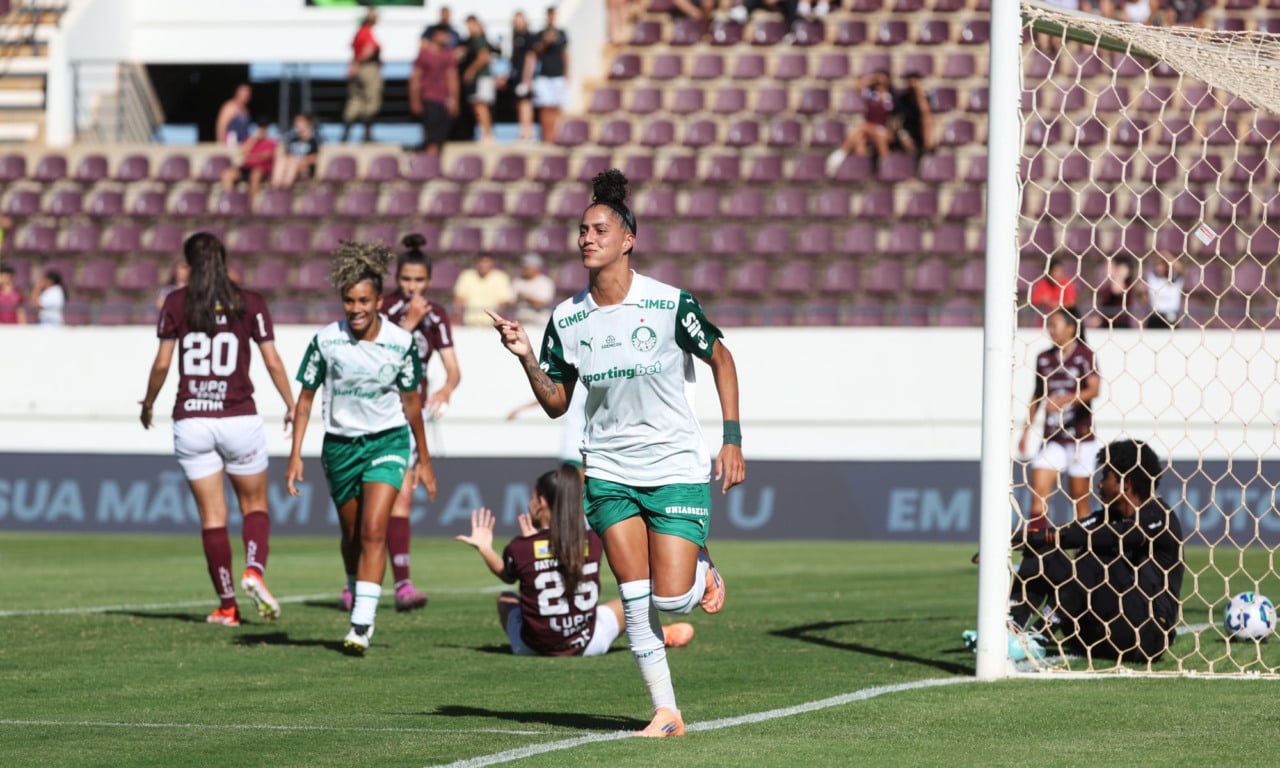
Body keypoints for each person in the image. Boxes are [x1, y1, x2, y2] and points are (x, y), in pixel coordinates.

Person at [487, 169, 745, 737]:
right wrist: (527, 356)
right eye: (582, 230)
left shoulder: (670, 303)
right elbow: (557, 403)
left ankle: (701, 573)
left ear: (627, 239)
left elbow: (722, 359)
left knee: (672, 600)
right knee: (633, 596)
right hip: (607, 471)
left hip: (674, 465)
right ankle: (667, 711)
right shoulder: (567, 318)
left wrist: (732, 438)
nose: (587, 238)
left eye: (598, 229)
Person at [287, 241, 438, 655]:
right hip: (339, 447)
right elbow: (304, 400)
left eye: (364, 301)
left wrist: (423, 460)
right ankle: (357, 590)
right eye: (349, 301)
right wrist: (295, 453)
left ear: (379, 301)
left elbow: (412, 404)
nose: (355, 309)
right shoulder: (325, 341)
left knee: (374, 530)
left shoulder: (400, 344)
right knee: (352, 535)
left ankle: (361, 624)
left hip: (388, 442)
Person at [139, 232, 297, 626]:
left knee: (213, 517)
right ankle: (254, 571)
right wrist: (291, 405)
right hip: (238, 417)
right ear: (225, 261)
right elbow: (273, 361)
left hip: (191, 419)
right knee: (255, 506)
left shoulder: (177, 301)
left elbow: (162, 364)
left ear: (188, 264)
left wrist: (148, 402)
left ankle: (227, 605)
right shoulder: (250, 301)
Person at [336, 233, 461, 613]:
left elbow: (453, 369)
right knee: (361, 505)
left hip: (408, 415)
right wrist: (408, 324)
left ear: (429, 281)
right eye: (406, 280)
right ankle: (353, 582)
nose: (412, 287)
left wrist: (445, 390)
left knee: (402, 497)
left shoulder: (436, 314)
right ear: (397, 279)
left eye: (419, 281)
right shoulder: (383, 310)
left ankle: (403, 584)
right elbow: (373, 359)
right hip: (372, 411)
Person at [455, 465, 695, 657]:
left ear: (542, 503)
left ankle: (656, 634)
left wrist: (485, 548)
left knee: (506, 599)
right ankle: (656, 635)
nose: (529, 503)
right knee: (631, 598)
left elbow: (507, 574)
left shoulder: (521, 547)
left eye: (532, 497)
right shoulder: (594, 539)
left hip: (530, 648)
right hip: (588, 643)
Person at [1010, 439, 1183, 663]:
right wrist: (1006, 544)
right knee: (1045, 549)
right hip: (1096, 632)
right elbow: (1070, 532)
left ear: (1126, 482)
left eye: (1105, 477)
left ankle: (1041, 635)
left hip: (1144, 634)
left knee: (1095, 554)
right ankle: (1011, 629)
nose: (1099, 485)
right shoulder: (1106, 516)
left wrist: (1050, 536)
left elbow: (1121, 535)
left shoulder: (1160, 516)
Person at [1019, 306, 1101, 525]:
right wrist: (1025, 432)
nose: (1051, 330)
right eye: (1049, 325)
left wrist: (1064, 400)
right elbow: (1037, 395)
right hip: (1053, 438)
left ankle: (1084, 556)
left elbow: (1094, 390)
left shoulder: (1085, 355)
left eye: (1055, 325)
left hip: (1081, 439)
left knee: (1081, 504)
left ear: (1071, 328)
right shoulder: (1044, 358)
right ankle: (1038, 556)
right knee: (1038, 495)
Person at [824, 70, 896, 177]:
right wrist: (872, 77)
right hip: (870, 129)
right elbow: (858, 86)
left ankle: (839, 155)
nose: (879, 84)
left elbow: (894, 119)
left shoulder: (891, 97)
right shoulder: (872, 95)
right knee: (859, 136)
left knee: (864, 129)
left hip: (885, 129)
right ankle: (862, 166)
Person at [409, 25, 460, 155]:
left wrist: (454, 100)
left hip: (444, 100)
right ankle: (429, 166)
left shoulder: (448, 54)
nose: (446, 38)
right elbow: (415, 78)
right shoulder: (425, 54)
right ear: (435, 35)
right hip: (429, 98)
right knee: (431, 137)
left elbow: (452, 78)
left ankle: (433, 164)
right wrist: (415, 100)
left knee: (440, 137)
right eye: (443, 34)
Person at [523, 6, 569, 145]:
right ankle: (546, 136)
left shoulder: (562, 33)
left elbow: (565, 54)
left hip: (558, 75)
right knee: (545, 107)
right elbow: (534, 54)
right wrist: (545, 42)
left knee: (555, 107)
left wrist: (567, 73)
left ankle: (554, 135)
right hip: (544, 75)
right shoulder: (540, 34)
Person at [342, 7, 383, 143]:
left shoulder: (359, 32)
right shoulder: (366, 32)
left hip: (357, 68)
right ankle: (367, 136)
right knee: (371, 100)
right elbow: (369, 50)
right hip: (367, 68)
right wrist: (358, 63)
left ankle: (346, 135)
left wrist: (354, 65)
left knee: (355, 100)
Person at [221, 118, 276, 209]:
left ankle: (250, 205)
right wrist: (253, 140)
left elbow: (266, 156)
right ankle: (231, 203)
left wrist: (251, 155)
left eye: (264, 128)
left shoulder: (272, 143)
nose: (262, 130)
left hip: (260, 169)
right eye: (260, 128)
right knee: (228, 174)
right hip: (246, 167)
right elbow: (242, 152)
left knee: (256, 174)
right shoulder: (250, 140)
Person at [452, 253, 513, 327]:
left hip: (492, 325)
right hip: (470, 323)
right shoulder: (467, 275)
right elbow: (459, 298)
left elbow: (503, 302)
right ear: (476, 263)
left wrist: (499, 321)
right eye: (481, 261)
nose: (483, 265)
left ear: (492, 263)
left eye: (486, 262)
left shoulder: (501, 277)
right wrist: (456, 315)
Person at [461, 15, 496, 143]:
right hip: (482, 78)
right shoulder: (473, 40)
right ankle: (485, 133)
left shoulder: (478, 39)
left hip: (481, 77)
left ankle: (487, 134)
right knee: (478, 105)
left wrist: (470, 70)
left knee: (480, 105)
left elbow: (483, 57)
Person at [506, 11, 537, 141]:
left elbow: (531, 58)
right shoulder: (515, 37)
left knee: (526, 103)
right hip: (516, 76)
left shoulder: (529, 37)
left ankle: (528, 132)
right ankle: (522, 131)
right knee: (519, 103)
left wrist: (527, 78)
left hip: (525, 77)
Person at [271, 113, 320, 190]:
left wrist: (300, 160)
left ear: (308, 123)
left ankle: (286, 186)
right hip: (291, 165)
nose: (298, 123)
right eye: (297, 121)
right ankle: (275, 185)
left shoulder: (313, 141)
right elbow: (287, 155)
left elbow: (314, 159)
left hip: (305, 168)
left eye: (301, 121)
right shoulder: (293, 140)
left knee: (294, 161)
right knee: (283, 159)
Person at [894, 71, 934, 161]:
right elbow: (896, 121)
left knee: (926, 119)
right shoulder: (902, 100)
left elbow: (925, 112)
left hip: (922, 131)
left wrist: (919, 92)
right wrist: (903, 136)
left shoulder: (925, 98)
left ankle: (927, 150)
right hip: (907, 132)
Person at [1094, 255, 1142, 329]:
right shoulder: (1107, 287)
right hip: (1106, 326)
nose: (1105, 269)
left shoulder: (1125, 286)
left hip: (1120, 327)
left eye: (1110, 267)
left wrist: (1117, 275)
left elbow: (1116, 291)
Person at [511, 252, 556, 329]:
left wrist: (525, 298)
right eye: (523, 266)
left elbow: (542, 303)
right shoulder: (517, 281)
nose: (524, 269)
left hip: (539, 324)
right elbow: (510, 302)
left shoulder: (545, 282)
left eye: (528, 266)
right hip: (521, 322)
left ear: (536, 268)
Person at [1144, 251, 1184, 329]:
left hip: (1171, 317)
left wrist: (1165, 255)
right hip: (1154, 317)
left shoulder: (1175, 280)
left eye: (1161, 265)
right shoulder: (1152, 278)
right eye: (1156, 265)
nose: (1158, 268)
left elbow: (1180, 268)